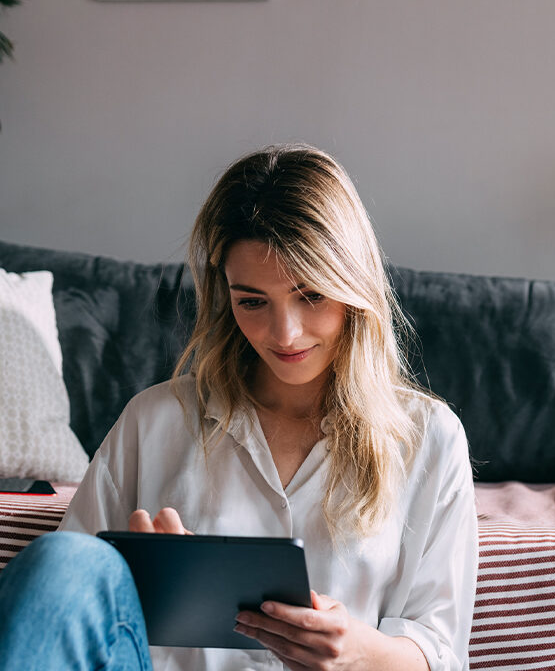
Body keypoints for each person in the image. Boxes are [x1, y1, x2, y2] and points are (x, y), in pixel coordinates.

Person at [0, 144, 478, 671]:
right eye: (252, 301)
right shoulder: (154, 420)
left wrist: (358, 652)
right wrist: (136, 584)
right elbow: (66, 607)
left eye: (311, 295)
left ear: (353, 286)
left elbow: (440, 650)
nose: (284, 334)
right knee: (64, 562)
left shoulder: (429, 437)